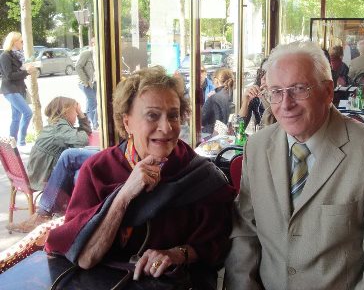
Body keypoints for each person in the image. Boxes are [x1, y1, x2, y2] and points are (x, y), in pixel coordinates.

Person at [224, 41, 364, 289]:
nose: (285, 103)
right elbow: (245, 232)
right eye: (276, 92)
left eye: (299, 89)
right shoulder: (257, 147)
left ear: (328, 91)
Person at [45, 67, 235, 289]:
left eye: (173, 115)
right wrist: (124, 195)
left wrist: (178, 254)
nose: (166, 128)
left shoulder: (200, 175)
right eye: (152, 115)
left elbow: (219, 243)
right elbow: (86, 257)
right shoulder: (97, 170)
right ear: (127, 123)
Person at [7, 148, 98, 233]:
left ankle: (46, 215)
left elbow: (82, 140)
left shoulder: (58, 131)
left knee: (69, 159)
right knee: (75, 171)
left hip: (37, 176)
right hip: (40, 177)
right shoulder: (66, 132)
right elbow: (82, 138)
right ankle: (49, 216)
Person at [27, 96, 92, 191]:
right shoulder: (60, 128)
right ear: (66, 112)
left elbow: (83, 135)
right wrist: (81, 114)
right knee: (84, 172)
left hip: (37, 174)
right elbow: (83, 140)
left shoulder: (55, 125)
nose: (77, 113)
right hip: (43, 178)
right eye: (75, 111)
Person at [0, 32, 35, 147]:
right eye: (21, 41)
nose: (22, 43)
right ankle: (21, 142)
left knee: (16, 117)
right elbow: (9, 75)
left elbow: (19, 72)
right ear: (13, 42)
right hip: (10, 90)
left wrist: (27, 69)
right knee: (28, 113)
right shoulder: (5, 56)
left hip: (19, 88)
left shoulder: (18, 55)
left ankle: (12, 143)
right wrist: (26, 72)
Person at [237, 60, 276, 129]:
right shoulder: (256, 98)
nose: (263, 78)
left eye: (269, 74)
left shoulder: (284, 98)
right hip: (261, 138)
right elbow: (239, 129)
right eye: (262, 73)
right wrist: (246, 101)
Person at [201, 68, 234, 134]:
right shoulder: (236, 96)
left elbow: (201, 120)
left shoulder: (213, 98)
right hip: (233, 134)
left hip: (215, 136)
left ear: (216, 81)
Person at [76, 37, 98, 129]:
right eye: (96, 43)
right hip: (85, 83)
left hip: (95, 83)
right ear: (92, 44)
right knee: (93, 102)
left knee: (90, 103)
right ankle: (95, 125)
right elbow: (78, 67)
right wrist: (86, 81)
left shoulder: (99, 55)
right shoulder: (87, 54)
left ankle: (86, 124)